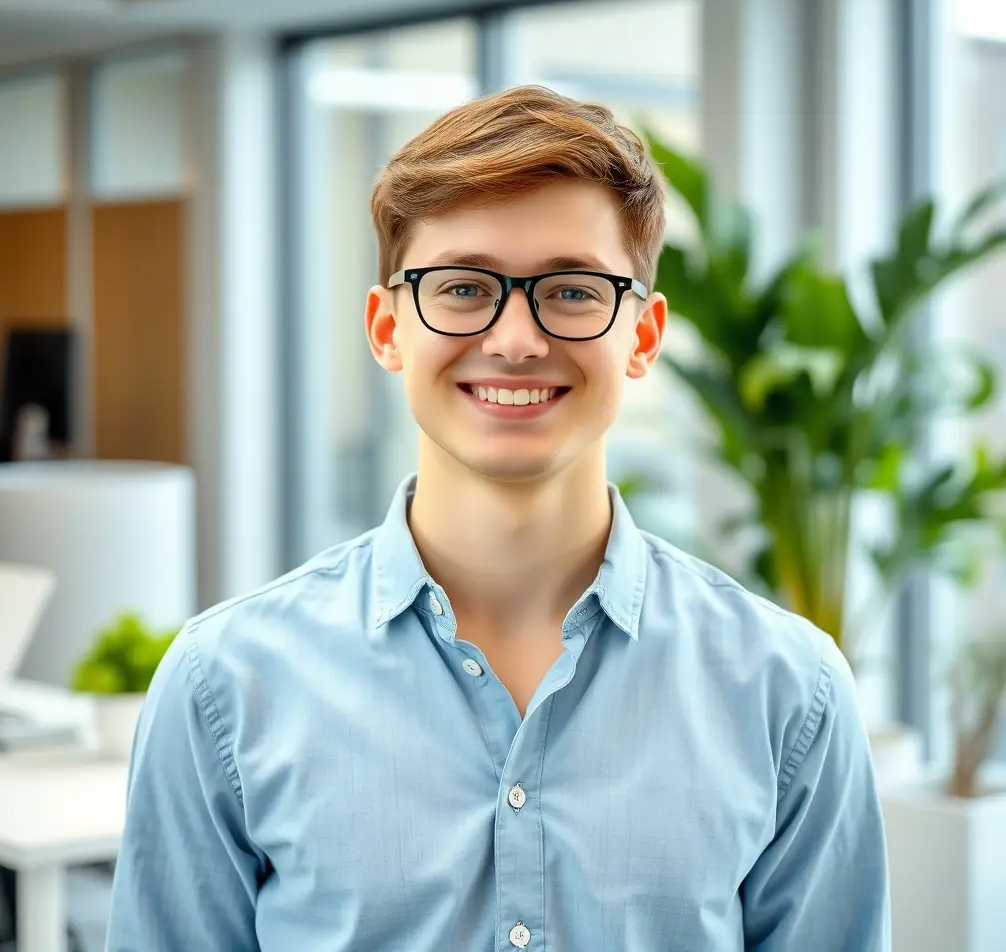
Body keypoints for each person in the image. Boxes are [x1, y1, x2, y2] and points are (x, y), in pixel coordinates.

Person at [105, 85, 891, 951]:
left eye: (573, 290)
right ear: (386, 328)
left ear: (642, 334)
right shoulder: (222, 687)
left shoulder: (789, 690)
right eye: (464, 287)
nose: (516, 338)